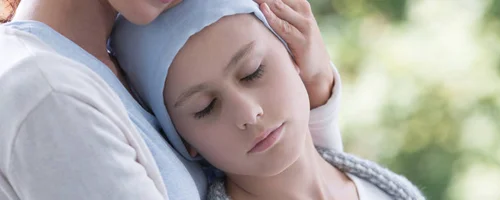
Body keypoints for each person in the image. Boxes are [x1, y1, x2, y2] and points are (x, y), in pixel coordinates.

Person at [0, 0, 342, 199]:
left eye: (252, 72)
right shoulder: (48, 94)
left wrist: (315, 83)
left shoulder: (121, 51)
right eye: (205, 108)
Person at [111, 0, 425, 199]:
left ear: (294, 54)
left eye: (252, 73)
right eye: (205, 108)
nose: (248, 112)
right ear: (184, 141)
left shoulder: (384, 190)